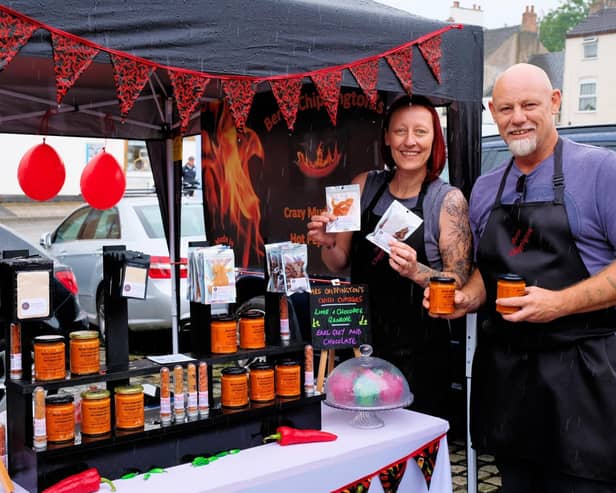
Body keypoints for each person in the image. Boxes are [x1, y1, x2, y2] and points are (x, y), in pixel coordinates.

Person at [424, 63, 616, 492]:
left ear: (555, 103)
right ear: (492, 112)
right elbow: (484, 277)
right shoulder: (486, 188)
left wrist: (559, 304)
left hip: (583, 383)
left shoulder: (602, 171)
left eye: (529, 105)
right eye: (506, 108)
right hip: (510, 384)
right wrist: (466, 298)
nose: (518, 117)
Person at [307, 95, 472, 419]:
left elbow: (458, 280)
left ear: (434, 139)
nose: (410, 141)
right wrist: (328, 243)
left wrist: (415, 271)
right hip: (362, 344)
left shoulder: (448, 200)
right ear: (386, 137)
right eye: (400, 131)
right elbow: (340, 262)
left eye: (421, 132)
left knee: (413, 447)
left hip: (422, 352)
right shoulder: (363, 185)